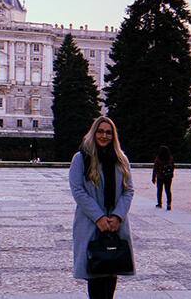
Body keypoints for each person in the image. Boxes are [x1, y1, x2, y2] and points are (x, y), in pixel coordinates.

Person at [69, 116, 135, 298]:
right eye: (100, 131)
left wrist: (117, 216)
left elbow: (128, 190)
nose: (104, 136)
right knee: (95, 274)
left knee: (112, 271)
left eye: (108, 132)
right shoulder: (81, 158)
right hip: (91, 223)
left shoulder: (121, 159)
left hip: (115, 224)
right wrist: (98, 217)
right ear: (93, 133)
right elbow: (78, 190)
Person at [152, 145, 174, 211]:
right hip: (168, 176)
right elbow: (172, 167)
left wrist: (154, 177)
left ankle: (159, 203)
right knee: (168, 190)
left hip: (160, 176)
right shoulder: (170, 158)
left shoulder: (158, 158)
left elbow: (155, 168)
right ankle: (169, 204)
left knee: (159, 190)